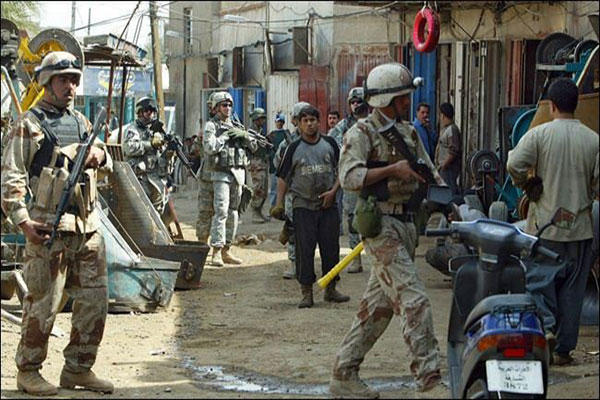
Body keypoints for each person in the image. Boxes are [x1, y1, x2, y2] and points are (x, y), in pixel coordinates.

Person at [1, 51, 114, 396]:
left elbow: (107, 161)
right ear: (47, 82)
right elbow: (10, 177)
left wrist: (100, 155)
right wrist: (23, 222)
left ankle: (78, 369)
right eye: (63, 80)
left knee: (94, 302)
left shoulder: (81, 122)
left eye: (74, 80)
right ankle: (28, 371)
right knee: (42, 304)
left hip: (87, 229)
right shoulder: (29, 124)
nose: (71, 87)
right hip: (47, 229)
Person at [329, 62, 442, 398]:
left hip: (407, 226)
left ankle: (344, 373)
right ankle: (430, 380)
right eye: (402, 97)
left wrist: (450, 202)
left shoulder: (408, 133)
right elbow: (349, 178)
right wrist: (392, 170)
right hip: (380, 226)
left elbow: (431, 173)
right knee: (414, 300)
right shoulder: (360, 134)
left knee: (377, 310)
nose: (408, 102)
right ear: (386, 100)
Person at [507, 77, 599, 366]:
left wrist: (527, 183)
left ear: (552, 105)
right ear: (575, 104)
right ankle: (563, 350)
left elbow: (514, 164)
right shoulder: (594, 140)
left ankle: (545, 328)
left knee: (540, 282)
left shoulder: (539, 135)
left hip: (547, 227)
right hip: (580, 230)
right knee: (573, 291)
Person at [274, 105, 349, 308]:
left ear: (319, 121)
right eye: (305, 121)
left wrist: (333, 192)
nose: (309, 124)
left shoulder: (330, 144)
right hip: (303, 206)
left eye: (313, 120)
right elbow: (282, 177)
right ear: (299, 124)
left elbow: (343, 169)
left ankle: (331, 289)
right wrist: (279, 204)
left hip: (328, 206)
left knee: (331, 249)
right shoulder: (293, 148)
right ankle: (306, 292)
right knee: (304, 250)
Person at [203, 91, 257, 266]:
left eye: (229, 105)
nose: (227, 108)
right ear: (216, 108)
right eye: (223, 105)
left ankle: (227, 249)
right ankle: (216, 251)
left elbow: (254, 147)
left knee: (234, 212)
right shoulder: (211, 126)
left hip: (238, 174)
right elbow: (209, 147)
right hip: (220, 173)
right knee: (221, 211)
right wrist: (225, 137)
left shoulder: (237, 125)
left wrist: (245, 137)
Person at [329, 87, 370, 273]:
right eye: (352, 102)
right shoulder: (343, 126)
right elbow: (332, 145)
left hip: (373, 177)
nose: (355, 105)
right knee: (353, 219)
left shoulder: (374, 123)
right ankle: (356, 258)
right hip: (353, 179)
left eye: (358, 102)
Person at [273, 101, 309, 279]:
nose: (306, 122)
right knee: (293, 228)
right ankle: (294, 264)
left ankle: (307, 265)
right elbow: (279, 168)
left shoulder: (320, 141)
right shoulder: (286, 144)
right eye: (302, 118)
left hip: (314, 193)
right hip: (294, 193)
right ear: (295, 121)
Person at [123, 96, 172, 221]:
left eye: (152, 111)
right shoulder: (133, 130)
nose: (150, 114)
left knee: (157, 212)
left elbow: (162, 155)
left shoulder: (157, 131)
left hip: (156, 178)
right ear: (140, 112)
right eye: (147, 111)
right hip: (140, 177)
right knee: (142, 212)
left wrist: (169, 152)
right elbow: (129, 148)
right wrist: (150, 144)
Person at [247, 107, 270, 223]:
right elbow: (252, 147)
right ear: (256, 119)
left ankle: (259, 211)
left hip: (262, 163)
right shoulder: (251, 132)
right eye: (261, 119)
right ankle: (255, 213)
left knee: (264, 190)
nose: (263, 121)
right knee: (258, 189)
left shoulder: (259, 132)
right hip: (256, 164)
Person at [435, 102, 462, 196]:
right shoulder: (446, 129)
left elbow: (454, 151)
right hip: (444, 168)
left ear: (443, 115)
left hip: (448, 168)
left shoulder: (452, 129)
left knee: (449, 192)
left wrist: (444, 165)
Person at [267, 113, 291, 207]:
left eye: (281, 122)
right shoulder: (271, 135)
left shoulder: (287, 134)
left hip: (285, 167)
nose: (279, 123)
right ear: (275, 122)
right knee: (274, 189)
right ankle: (273, 208)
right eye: (278, 122)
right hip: (274, 167)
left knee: (285, 189)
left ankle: (283, 209)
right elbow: (267, 150)